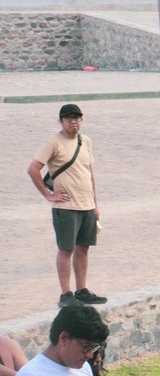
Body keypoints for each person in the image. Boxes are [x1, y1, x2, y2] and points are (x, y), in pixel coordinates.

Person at [28, 102, 102, 305]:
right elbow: (33, 169)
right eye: (69, 118)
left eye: (76, 118)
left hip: (86, 205)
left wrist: (96, 204)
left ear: (82, 120)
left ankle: (82, 290)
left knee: (83, 248)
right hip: (66, 207)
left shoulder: (85, 141)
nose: (73, 121)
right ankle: (66, 294)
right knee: (66, 249)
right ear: (61, 121)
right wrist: (48, 195)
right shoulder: (53, 142)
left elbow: (89, 172)